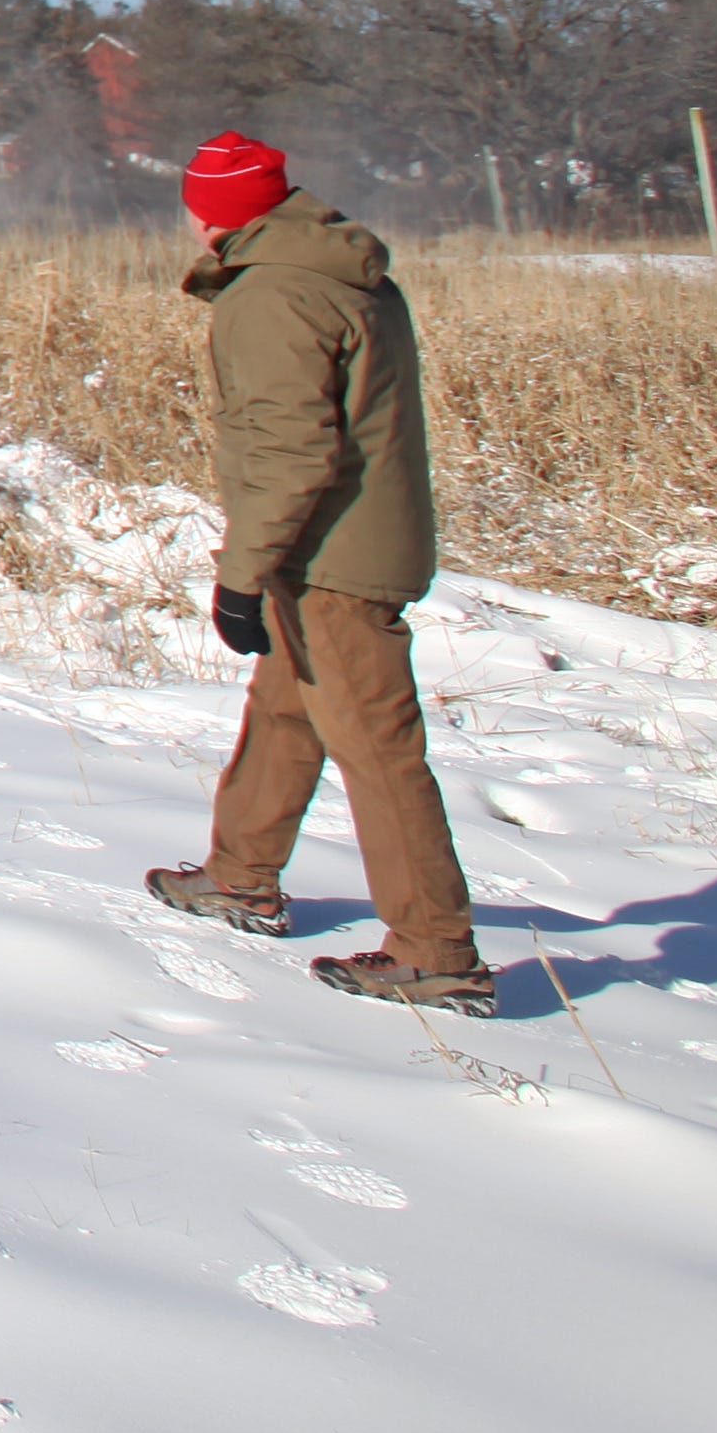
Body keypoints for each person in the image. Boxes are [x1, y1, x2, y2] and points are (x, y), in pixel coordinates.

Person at [140, 132, 495, 1011]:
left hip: (334, 557)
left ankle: (437, 951)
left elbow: (293, 452)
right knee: (288, 709)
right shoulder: (343, 274)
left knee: (378, 750)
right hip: (345, 546)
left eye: (191, 201)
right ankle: (239, 876)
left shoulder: (269, 298)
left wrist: (242, 571)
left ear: (213, 213)